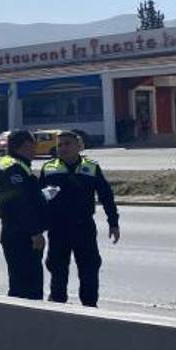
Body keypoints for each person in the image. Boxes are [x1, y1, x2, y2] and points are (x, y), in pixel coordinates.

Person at [39, 131, 120, 307]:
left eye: (67, 144)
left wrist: (113, 222)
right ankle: (57, 307)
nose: (63, 148)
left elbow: (106, 195)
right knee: (57, 269)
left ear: (78, 146)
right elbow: (38, 200)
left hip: (83, 227)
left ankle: (90, 308)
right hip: (58, 228)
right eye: (60, 145)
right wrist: (38, 227)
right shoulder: (49, 168)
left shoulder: (91, 167)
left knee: (89, 269)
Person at [0, 129, 47, 299]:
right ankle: (25, 324)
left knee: (24, 283)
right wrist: (35, 232)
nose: (35, 150)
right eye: (33, 146)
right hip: (20, 235)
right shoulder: (14, 169)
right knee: (26, 286)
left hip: (18, 233)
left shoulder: (18, 166)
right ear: (24, 146)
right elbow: (20, 204)